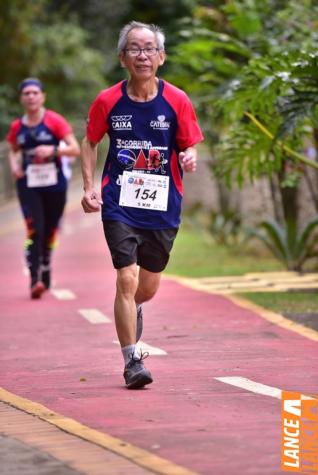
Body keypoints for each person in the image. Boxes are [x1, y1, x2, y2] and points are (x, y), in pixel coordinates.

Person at [81, 21, 203, 389]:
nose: (142, 55)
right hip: (120, 202)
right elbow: (89, 141)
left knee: (145, 289)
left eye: (149, 48)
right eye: (134, 48)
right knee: (126, 278)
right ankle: (132, 361)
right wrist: (89, 187)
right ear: (122, 57)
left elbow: (189, 144)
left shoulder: (177, 100)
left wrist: (189, 157)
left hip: (163, 206)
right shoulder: (107, 100)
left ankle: (133, 310)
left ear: (161, 57)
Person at [6, 78, 80, 299]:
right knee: (34, 228)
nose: (31, 97)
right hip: (28, 184)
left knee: (50, 228)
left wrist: (54, 151)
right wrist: (14, 167)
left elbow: (75, 149)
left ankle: (46, 262)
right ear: (22, 98)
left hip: (55, 183)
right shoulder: (17, 127)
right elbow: (12, 149)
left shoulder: (55, 121)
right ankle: (35, 278)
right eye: (26, 93)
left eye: (35, 93)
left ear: (42, 96)